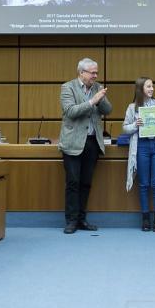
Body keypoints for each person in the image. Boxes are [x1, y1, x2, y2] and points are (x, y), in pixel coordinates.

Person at [58, 58, 112, 234]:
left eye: (96, 72)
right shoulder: (68, 87)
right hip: (73, 143)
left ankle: (82, 219)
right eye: (92, 73)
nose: (95, 76)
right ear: (81, 72)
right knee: (73, 182)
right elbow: (71, 111)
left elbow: (108, 110)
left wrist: (100, 99)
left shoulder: (97, 87)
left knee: (86, 183)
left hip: (92, 142)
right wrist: (92, 101)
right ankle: (71, 221)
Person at [123, 77, 155, 232]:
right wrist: (135, 125)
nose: (152, 89)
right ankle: (145, 219)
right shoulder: (132, 107)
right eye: (149, 86)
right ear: (140, 89)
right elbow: (125, 128)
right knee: (143, 184)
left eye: (152, 86)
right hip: (141, 146)